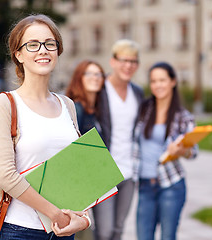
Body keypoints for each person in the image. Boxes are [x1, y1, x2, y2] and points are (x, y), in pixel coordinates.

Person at [0, 14, 90, 240]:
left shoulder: (67, 105)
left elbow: (80, 171)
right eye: (32, 45)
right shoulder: (5, 104)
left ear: (57, 51)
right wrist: (55, 213)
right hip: (20, 231)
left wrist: (84, 218)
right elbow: (6, 176)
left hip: (64, 232)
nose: (43, 50)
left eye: (49, 44)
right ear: (18, 54)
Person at [133, 62, 198, 240]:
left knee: (168, 237)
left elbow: (194, 152)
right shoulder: (144, 109)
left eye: (162, 80)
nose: (157, 85)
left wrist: (180, 151)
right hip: (145, 185)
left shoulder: (183, 116)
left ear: (173, 82)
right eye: (153, 81)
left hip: (171, 185)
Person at [93, 39, 145, 240]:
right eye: (123, 60)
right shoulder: (100, 89)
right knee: (104, 232)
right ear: (112, 61)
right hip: (103, 171)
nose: (128, 66)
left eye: (133, 61)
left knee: (118, 229)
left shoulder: (137, 92)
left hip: (129, 171)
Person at [66, 60, 105, 135]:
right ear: (79, 77)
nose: (95, 78)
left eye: (98, 74)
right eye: (89, 74)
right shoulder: (77, 109)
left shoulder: (98, 108)